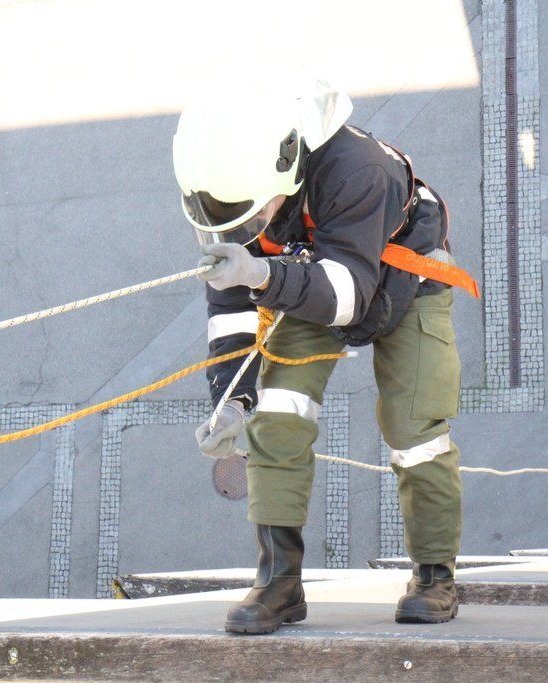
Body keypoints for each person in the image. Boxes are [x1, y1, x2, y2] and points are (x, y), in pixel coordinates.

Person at [172, 79, 478, 635]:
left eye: (249, 217)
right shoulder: (233, 188)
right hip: (306, 276)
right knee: (277, 415)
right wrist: (232, 399)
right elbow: (231, 308)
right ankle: (279, 582)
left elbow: (347, 296)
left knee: (415, 427)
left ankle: (435, 576)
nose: (243, 231)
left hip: (402, 278)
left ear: (286, 168)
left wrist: (261, 274)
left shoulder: (358, 171)